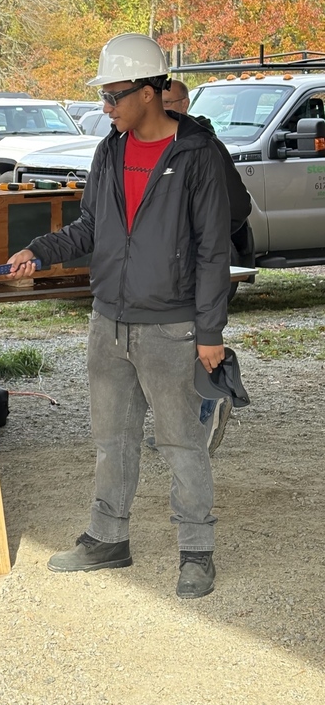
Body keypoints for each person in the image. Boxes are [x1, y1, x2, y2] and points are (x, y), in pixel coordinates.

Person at [8, 33, 231, 599]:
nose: (106, 108)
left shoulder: (197, 155)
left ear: (150, 94)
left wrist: (210, 333)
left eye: (114, 96)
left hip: (174, 326)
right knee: (112, 438)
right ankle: (108, 538)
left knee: (182, 442)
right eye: (105, 97)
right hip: (108, 321)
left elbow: (213, 251)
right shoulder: (110, 149)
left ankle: (196, 553)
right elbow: (92, 227)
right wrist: (41, 249)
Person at [160, 78, 253, 454]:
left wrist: (205, 234)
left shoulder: (206, 145)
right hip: (166, 271)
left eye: (168, 102)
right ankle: (182, 424)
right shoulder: (151, 148)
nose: (160, 110)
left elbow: (239, 206)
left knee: (198, 341)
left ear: (183, 104)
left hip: (201, 264)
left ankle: (204, 414)